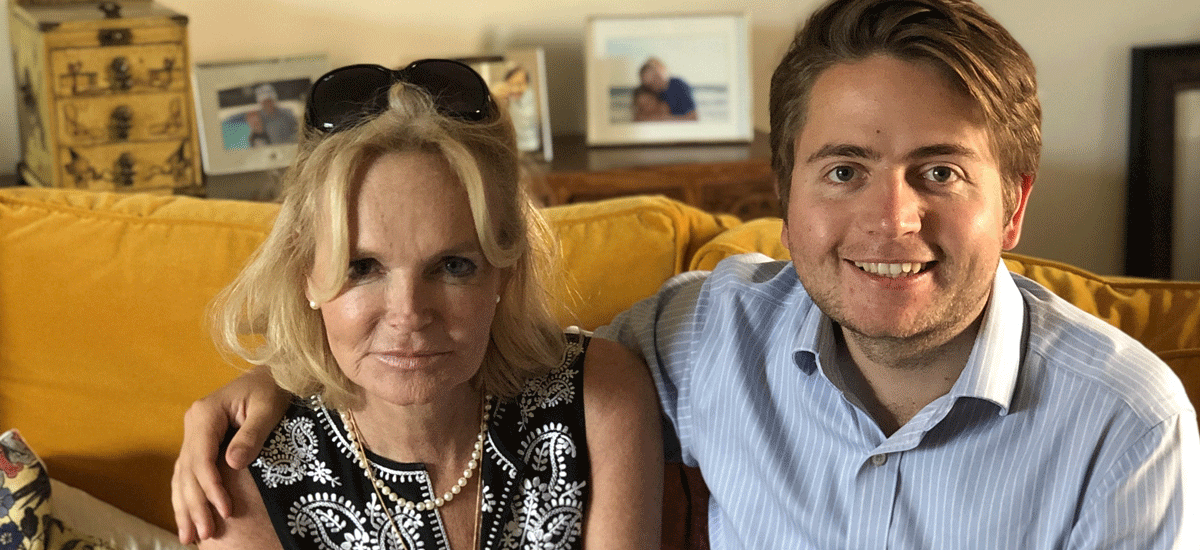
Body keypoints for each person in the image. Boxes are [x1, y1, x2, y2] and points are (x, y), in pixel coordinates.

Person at [175, 1, 1200, 548]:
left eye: (939, 172)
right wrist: (285, 375)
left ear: (1013, 204)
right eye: (844, 170)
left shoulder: (1125, 426)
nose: (891, 220)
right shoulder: (708, 335)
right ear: (785, 195)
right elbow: (459, 351)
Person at [173, 59, 662, 549]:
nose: (408, 314)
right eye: (362, 267)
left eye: (453, 266)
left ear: (505, 268)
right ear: (306, 272)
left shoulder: (600, 398)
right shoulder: (242, 476)